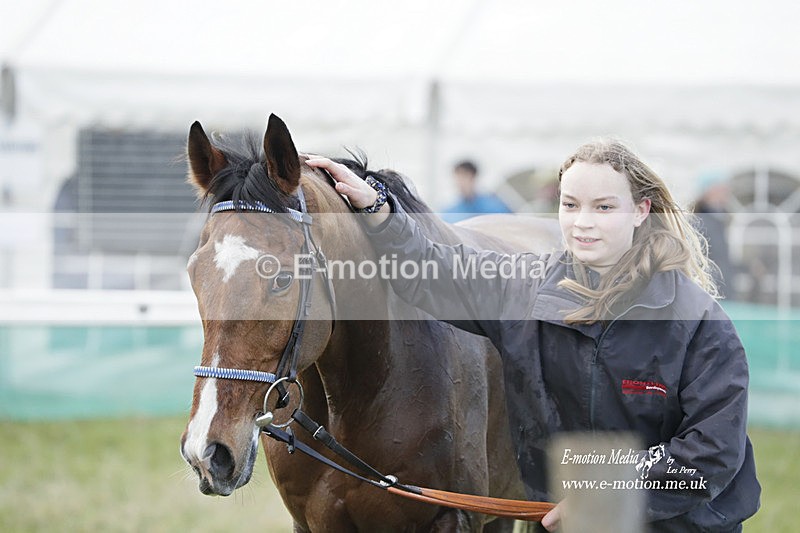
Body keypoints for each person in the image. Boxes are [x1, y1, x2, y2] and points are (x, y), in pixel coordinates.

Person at [307, 139, 760, 532]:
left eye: (604, 207)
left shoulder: (699, 323)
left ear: (642, 211)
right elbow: (433, 271)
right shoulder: (523, 287)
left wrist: (605, 495)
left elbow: (711, 455)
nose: (583, 222)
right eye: (570, 205)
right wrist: (377, 209)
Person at [692, 170, 736, 299]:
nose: (727, 193)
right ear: (710, 191)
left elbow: (724, 259)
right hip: (711, 291)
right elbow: (703, 260)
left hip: (721, 289)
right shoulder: (699, 222)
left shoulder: (720, 220)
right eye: (722, 189)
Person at [441, 159, 512, 223]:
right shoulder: (450, 212)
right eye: (457, 177)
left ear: (473, 177)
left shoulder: (494, 206)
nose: (460, 182)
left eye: (464, 177)